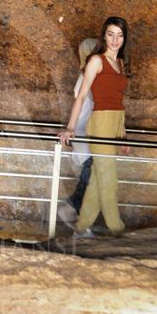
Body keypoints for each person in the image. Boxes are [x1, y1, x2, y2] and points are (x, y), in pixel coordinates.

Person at [59, 17, 131, 237]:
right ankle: (117, 228)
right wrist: (70, 127)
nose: (115, 40)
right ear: (104, 36)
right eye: (111, 34)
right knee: (109, 179)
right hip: (100, 123)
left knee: (98, 180)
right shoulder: (96, 61)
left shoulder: (120, 63)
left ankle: (82, 227)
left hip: (116, 122)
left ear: (124, 38)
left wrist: (123, 135)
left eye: (120, 35)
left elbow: (118, 101)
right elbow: (81, 96)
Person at [57, 38, 99, 225]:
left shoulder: (86, 76)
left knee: (89, 176)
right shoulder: (88, 77)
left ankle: (75, 211)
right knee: (89, 176)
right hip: (86, 132)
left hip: (86, 132)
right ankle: (73, 208)